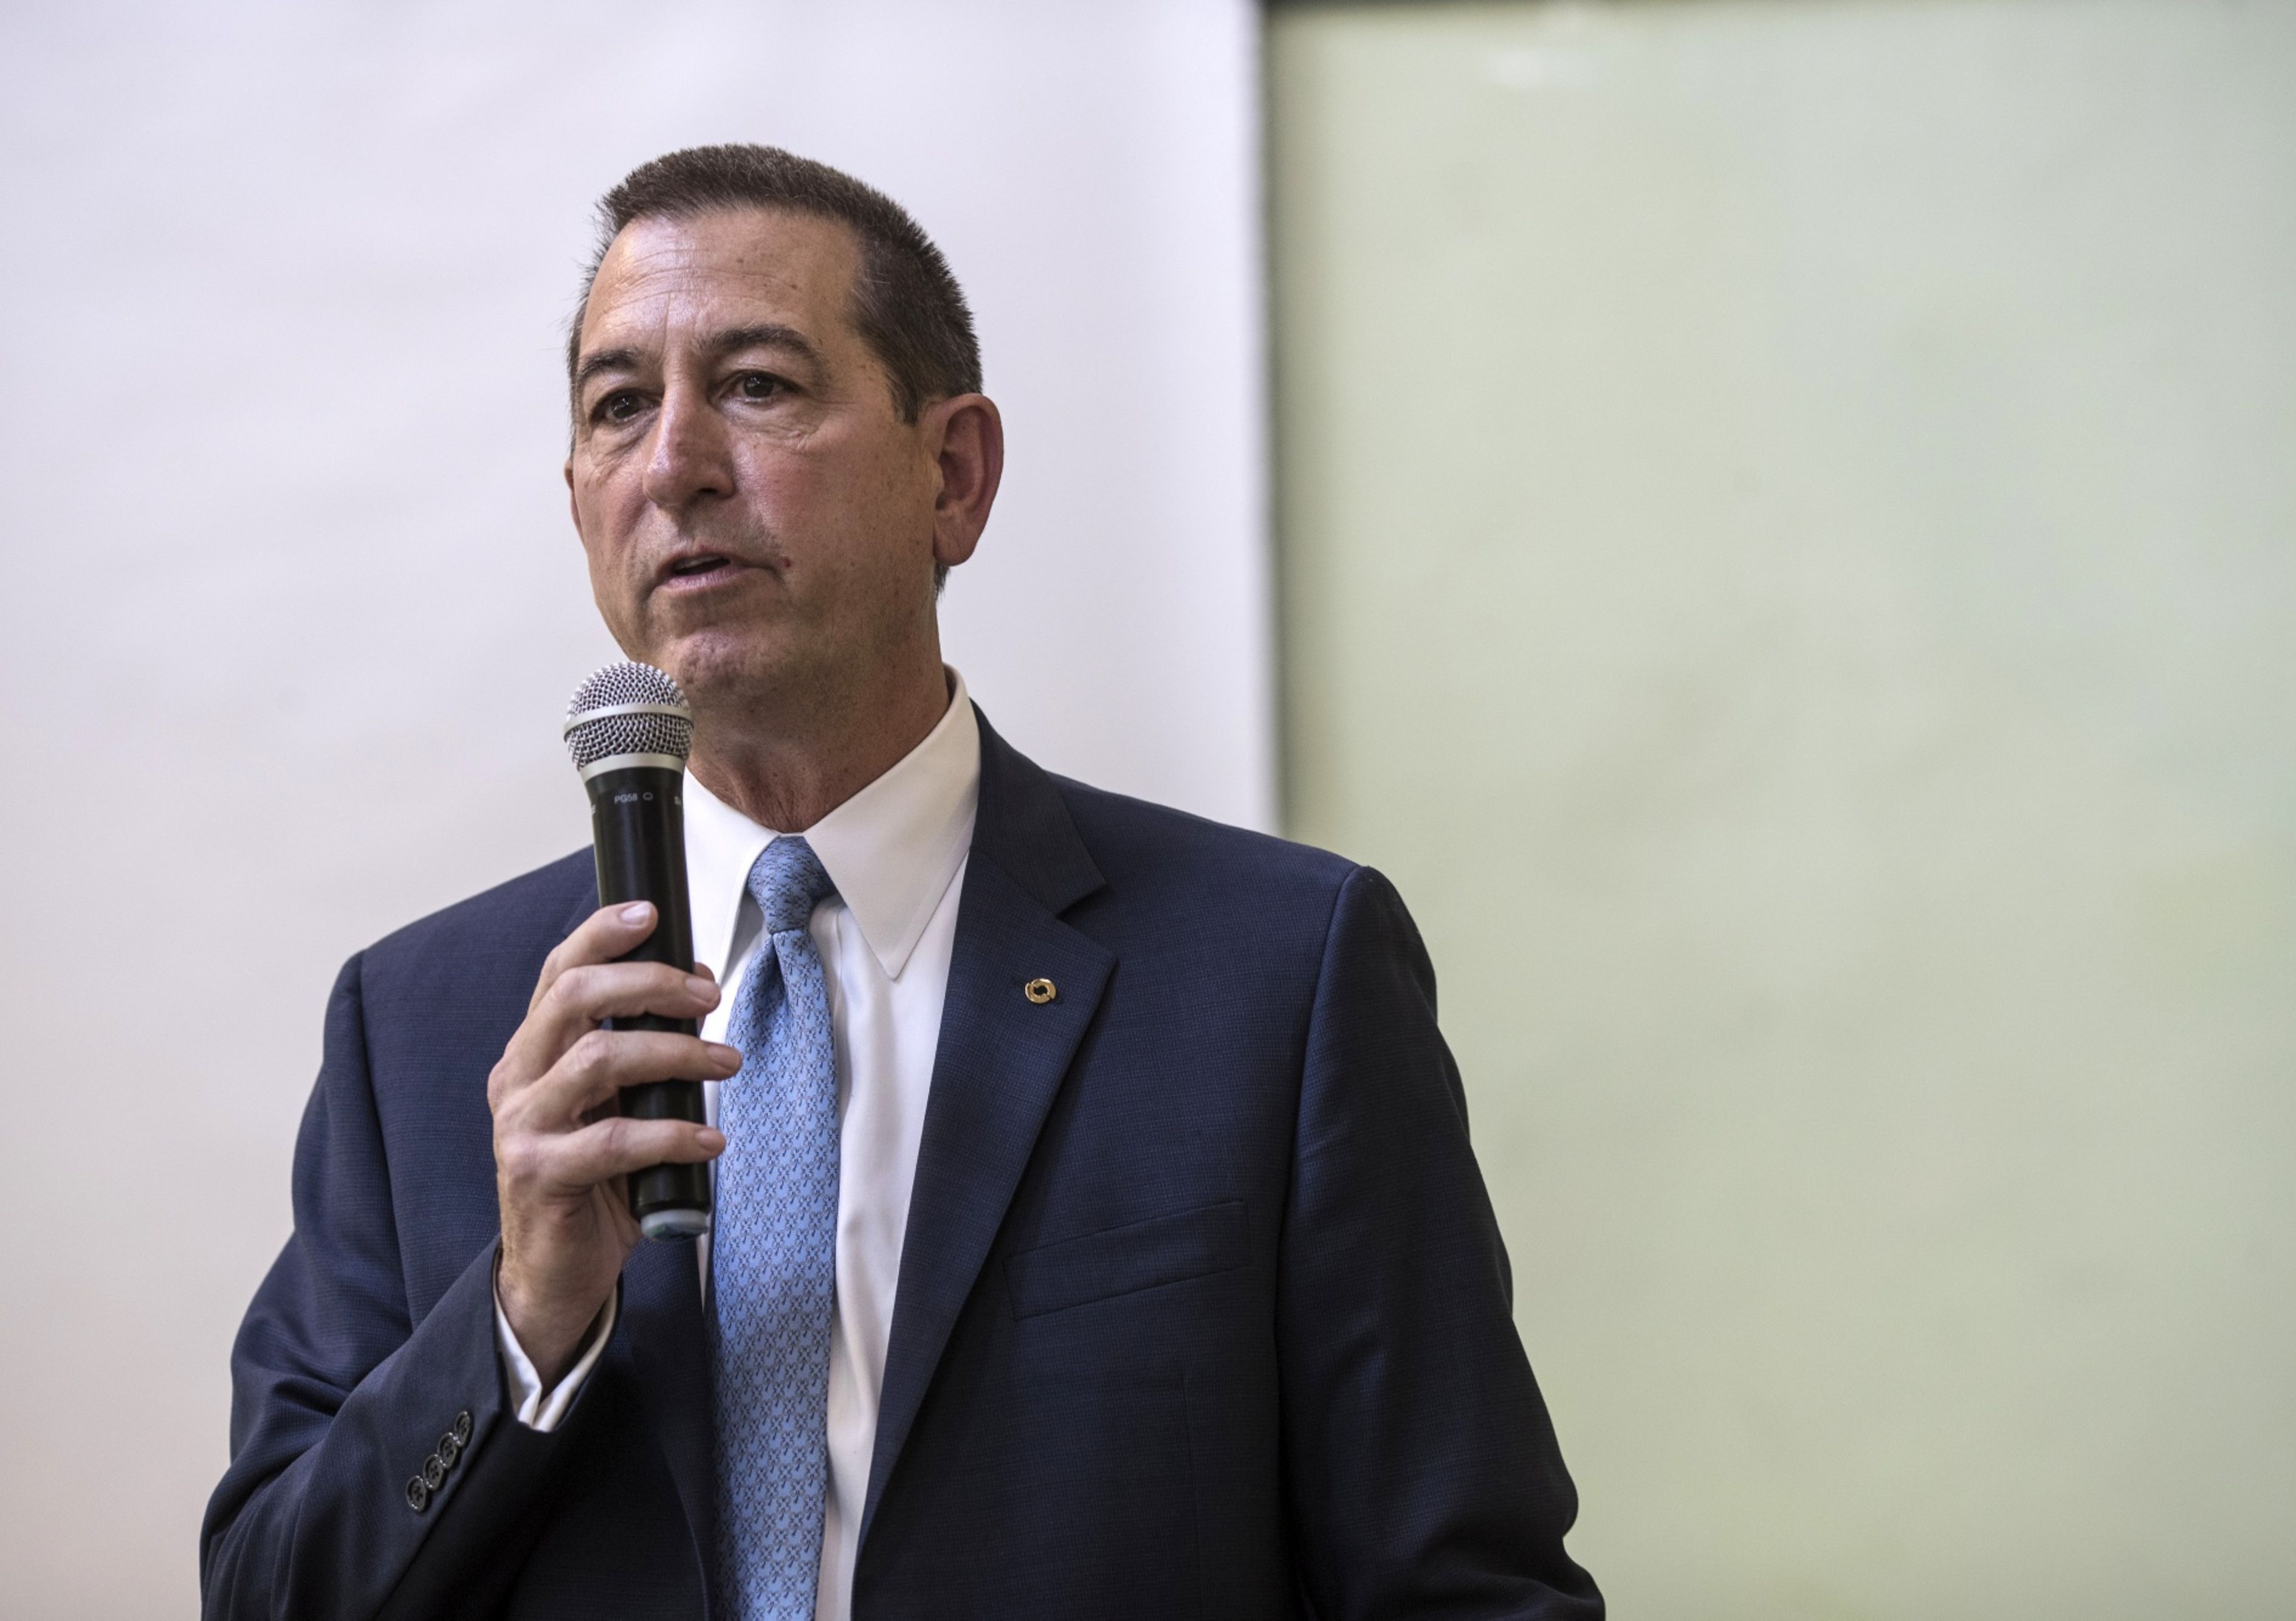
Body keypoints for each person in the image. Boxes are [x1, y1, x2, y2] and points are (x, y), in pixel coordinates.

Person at [201, 143, 1601, 1621]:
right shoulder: (422, 1028)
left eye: (756, 385)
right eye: (619, 407)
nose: (673, 463)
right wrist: (519, 1318)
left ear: (953, 474)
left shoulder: (1278, 978)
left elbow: (1464, 1591)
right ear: (579, 500)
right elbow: (269, 1598)